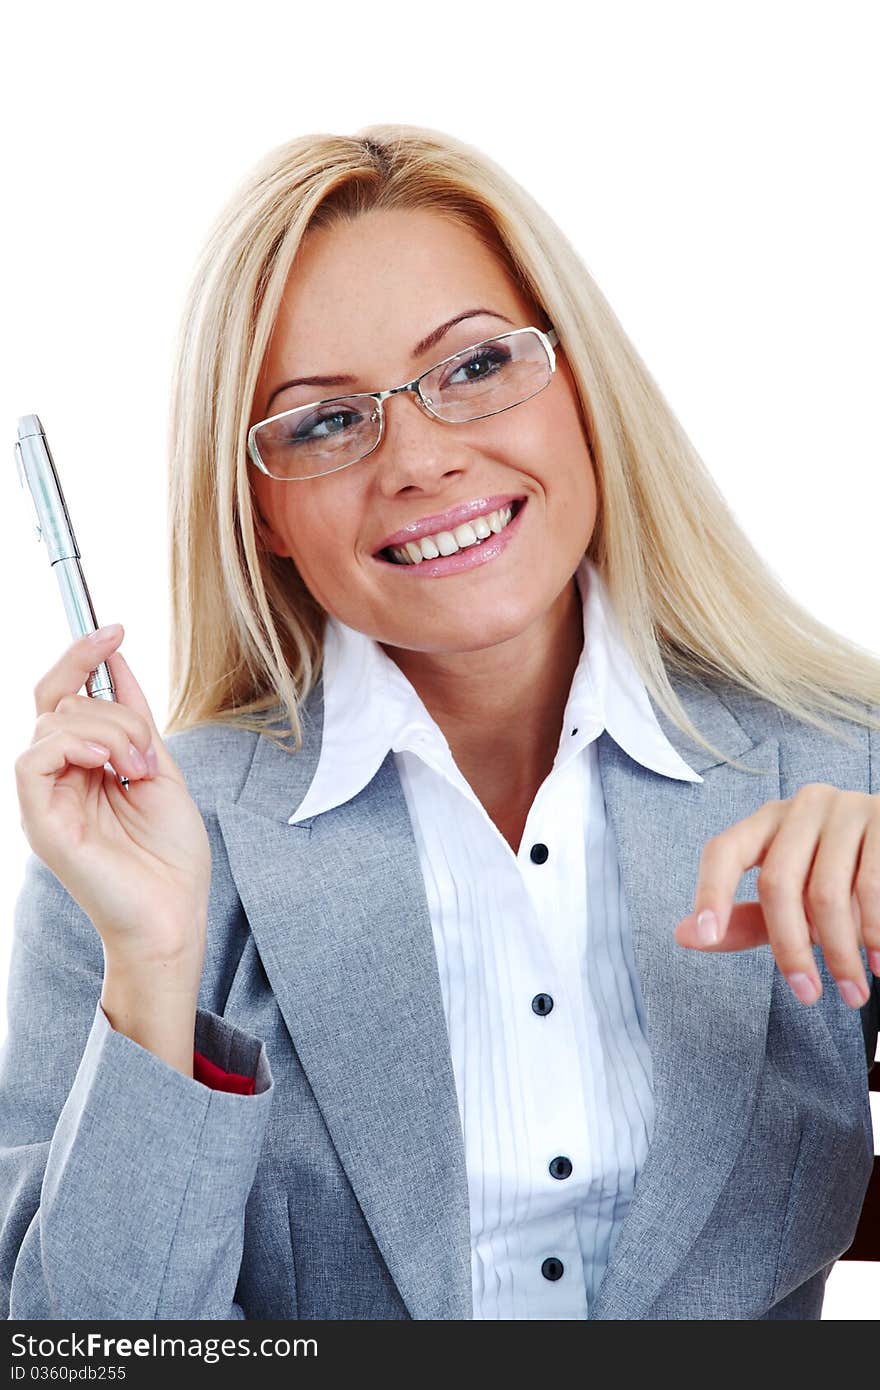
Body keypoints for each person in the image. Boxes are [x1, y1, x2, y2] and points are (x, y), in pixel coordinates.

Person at [2, 123, 879, 1322]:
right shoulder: (138, 857)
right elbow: (69, 1349)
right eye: (322, 422)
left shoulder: (841, 765)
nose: (419, 460)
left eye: (472, 368)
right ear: (260, 512)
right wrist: (156, 967)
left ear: (581, 388)